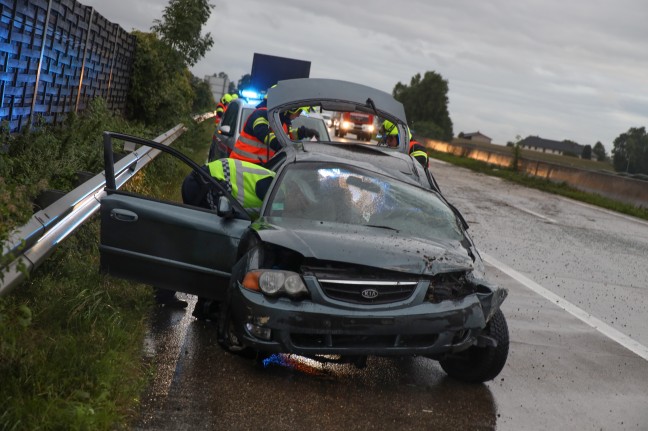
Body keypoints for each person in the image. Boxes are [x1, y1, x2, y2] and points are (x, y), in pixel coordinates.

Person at [181, 157, 276, 319]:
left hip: (208, 183)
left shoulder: (277, 184)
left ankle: (202, 304)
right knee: (210, 246)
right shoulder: (273, 188)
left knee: (200, 244)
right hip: (205, 184)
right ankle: (204, 306)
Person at [230, 92, 319, 165]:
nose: (299, 115)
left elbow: (287, 137)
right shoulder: (260, 115)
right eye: (299, 111)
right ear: (290, 108)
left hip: (258, 168)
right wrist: (297, 149)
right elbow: (268, 136)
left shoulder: (280, 121)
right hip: (241, 166)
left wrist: (304, 132)